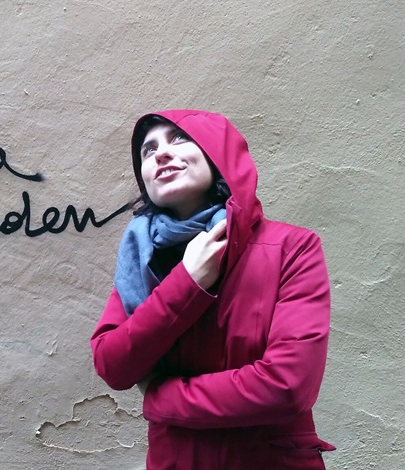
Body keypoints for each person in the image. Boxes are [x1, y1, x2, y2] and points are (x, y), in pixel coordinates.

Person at [90, 109, 335, 469]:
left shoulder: (292, 248)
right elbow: (113, 364)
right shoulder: (141, 260)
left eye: (179, 138)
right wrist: (186, 283)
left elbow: (287, 387)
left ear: (216, 153)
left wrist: (160, 399)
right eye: (148, 150)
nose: (161, 153)